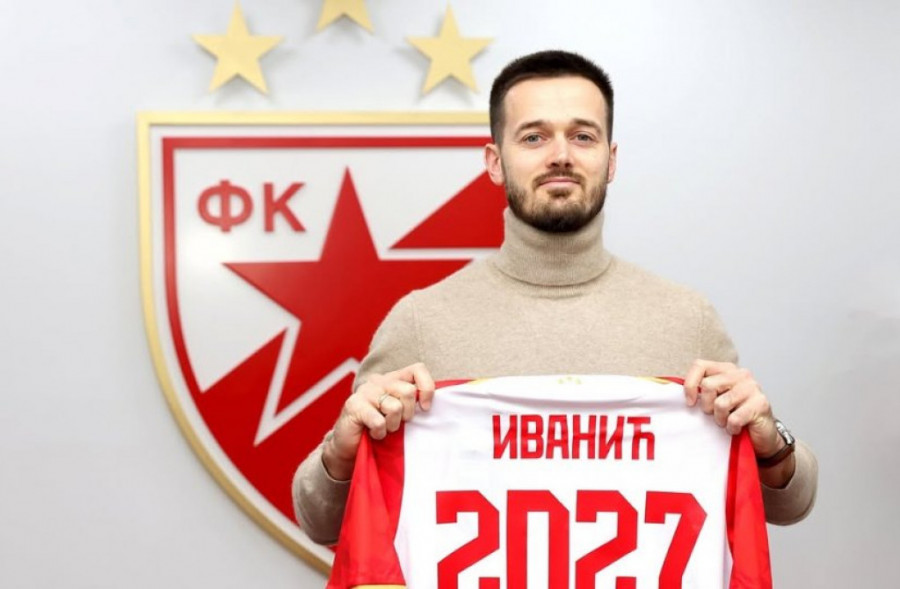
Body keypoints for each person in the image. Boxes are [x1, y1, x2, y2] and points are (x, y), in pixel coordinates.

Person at [292, 50, 818, 546]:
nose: (560, 156)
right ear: (495, 161)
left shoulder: (687, 320)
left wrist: (772, 443)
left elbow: (789, 505)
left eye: (583, 136)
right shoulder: (420, 322)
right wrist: (340, 451)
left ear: (611, 160)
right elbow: (321, 521)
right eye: (534, 137)